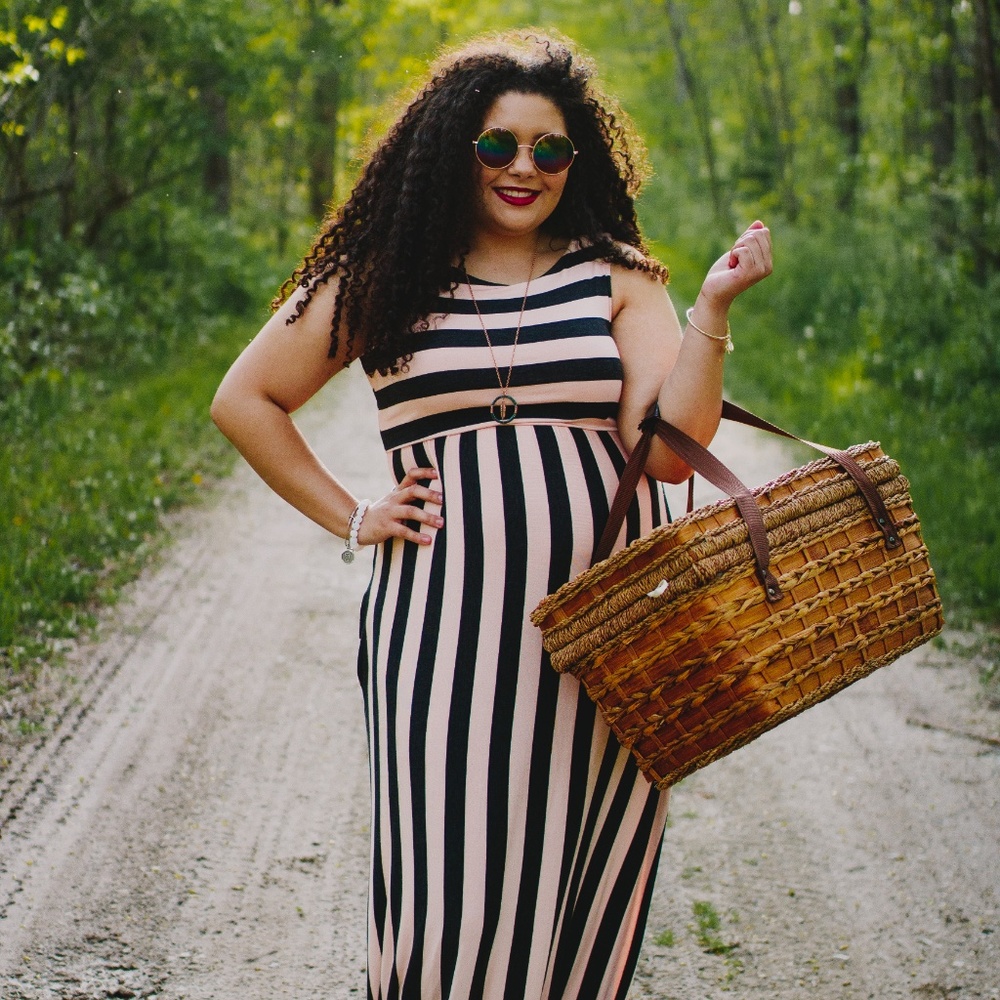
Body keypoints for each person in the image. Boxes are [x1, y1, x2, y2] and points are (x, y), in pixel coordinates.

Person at [211, 29, 771, 1000]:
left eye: (549, 150)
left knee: (577, 889)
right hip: (440, 633)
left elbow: (672, 437)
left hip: (604, 627)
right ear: (453, 150)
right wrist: (354, 514)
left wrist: (712, 312)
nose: (524, 167)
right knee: (445, 898)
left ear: (575, 162)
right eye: (498, 145)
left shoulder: (616, 273)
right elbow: (246, 400)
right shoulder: (383, 274)